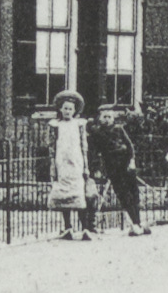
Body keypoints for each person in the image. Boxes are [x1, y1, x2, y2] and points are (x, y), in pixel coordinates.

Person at [90, 108, 150, 236]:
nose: (107, 119)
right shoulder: (97, 132)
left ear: (113, 119)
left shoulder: (119, 129)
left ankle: (137, 223)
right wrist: (98, 168)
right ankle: (135, 223)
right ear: (100, 118)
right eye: (104, 117)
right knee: (123, 194)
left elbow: (130, 145)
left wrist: (132, 161)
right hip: (112, 166)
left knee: (134, 193)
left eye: (109, 117)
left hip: (126, 163)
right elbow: (95, 151)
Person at [48, 91, 95, 240]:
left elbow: (84, 146)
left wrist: (86, 166)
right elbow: (52, 147)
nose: (67, 111)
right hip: (61, 164)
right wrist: (53, 167)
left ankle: (85, 228)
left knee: (79, 194)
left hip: (76, 164)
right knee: (64, 196)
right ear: (60, 109)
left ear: (75, 111)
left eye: (70, 109)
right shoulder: (56, 125)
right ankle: (68, 227)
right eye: (65, 108)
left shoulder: (79, 124)